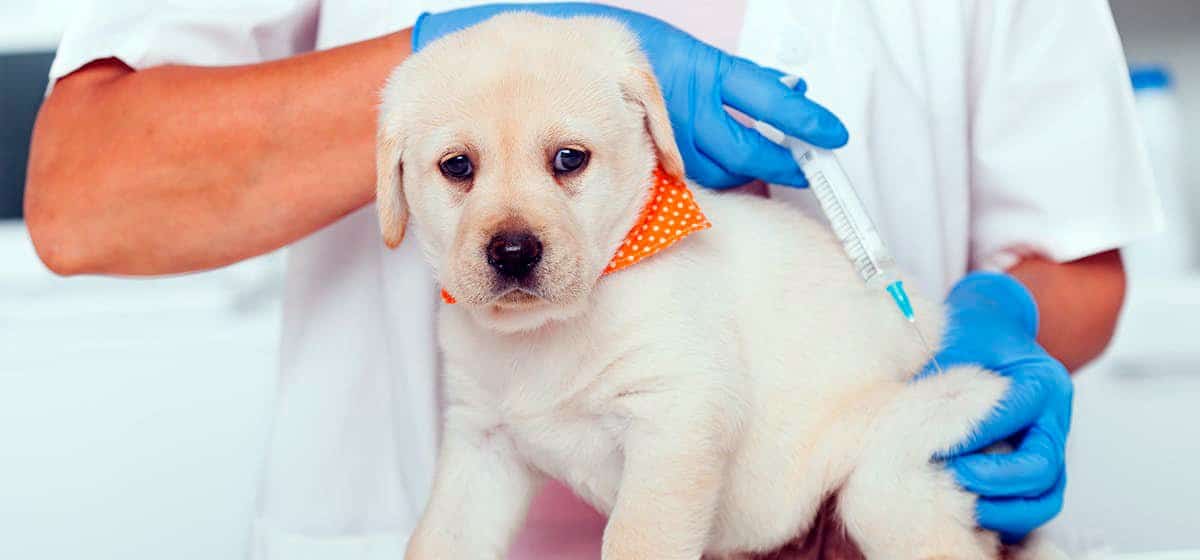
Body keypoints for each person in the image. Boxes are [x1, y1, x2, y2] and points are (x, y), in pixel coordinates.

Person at [25, 1, 1159, 558]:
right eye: (456, 169)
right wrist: (421, 69)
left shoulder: (672, 281)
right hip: (368, 501)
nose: (513, 226)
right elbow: (83, 187)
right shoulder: (470, 291)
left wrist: (996, 324)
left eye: (569, 161)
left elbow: (1078, 251)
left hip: (839, 492)